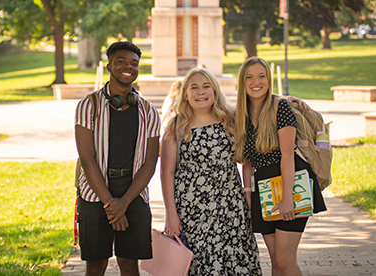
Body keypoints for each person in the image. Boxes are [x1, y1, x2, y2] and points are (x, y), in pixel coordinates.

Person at [160, 67, 262, 275]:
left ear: (215, 91)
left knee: (236, 265)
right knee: (201, 267)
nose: (200, 92)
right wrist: (171, 214)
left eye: (206, 87)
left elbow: (263, 108)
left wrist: (292, 102)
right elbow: (166, 173)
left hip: (230, 208)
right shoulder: (176, 126)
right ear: (185, 94)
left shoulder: (231, 119)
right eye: (194, 88)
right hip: (192, 212)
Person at [74, 41, 161, 276]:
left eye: (134, 63)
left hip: (134, 192)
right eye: (121, 61)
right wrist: (111, 204)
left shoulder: (150, 112)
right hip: (95, 193)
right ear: (110, 66)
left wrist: (124, 203)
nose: (128, 67)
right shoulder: (88, 106)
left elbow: (150, 164)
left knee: (130, 264)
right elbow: (87, 160)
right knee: (96, 265)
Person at [234, 57, 326, 276]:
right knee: (275, 262)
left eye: (261, 76)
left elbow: (287, 156)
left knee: (285, 261)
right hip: (263, 189)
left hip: (290, 182)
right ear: (242, 82)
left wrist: (287, 198)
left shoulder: (280, 107)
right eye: (250, 77)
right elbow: (247, 162)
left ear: (269, 79)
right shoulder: (241, 114)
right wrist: (248, 195)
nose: (256, 82)